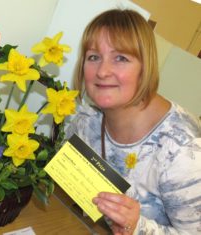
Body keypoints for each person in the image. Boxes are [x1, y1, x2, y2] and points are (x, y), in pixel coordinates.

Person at [66, 8, 201, 234]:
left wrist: (138, 227)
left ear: (145, 68)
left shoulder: (183, 152)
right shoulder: (86, 119)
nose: (102, 71)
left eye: (121, 58)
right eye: (93, 57)